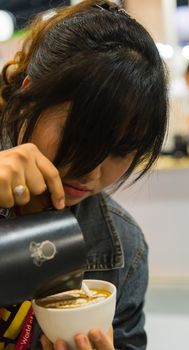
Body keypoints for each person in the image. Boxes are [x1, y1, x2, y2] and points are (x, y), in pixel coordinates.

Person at [0, 1, 168, 349]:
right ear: (31, 94)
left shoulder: (122, 248)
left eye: (120, 151)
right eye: (81, 135)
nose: (91, 172)